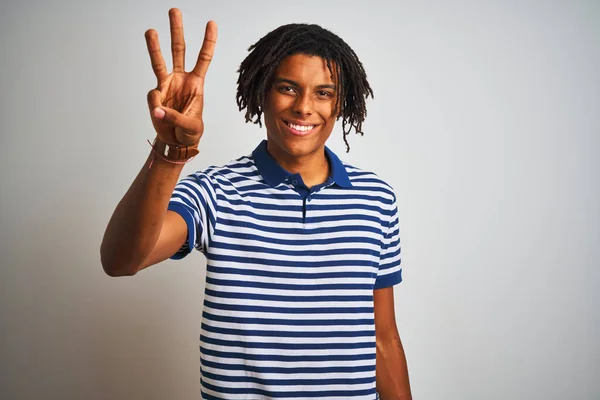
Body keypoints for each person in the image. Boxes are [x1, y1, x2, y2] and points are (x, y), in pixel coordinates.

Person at [101, 8, 412, 400]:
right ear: (261, 91)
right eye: (287, 87)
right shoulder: (215, 191)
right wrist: (170, 153)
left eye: (324, 92)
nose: (304, 106)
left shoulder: (376, 199)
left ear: (341, 104)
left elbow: (383, 339)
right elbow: (121, 261)